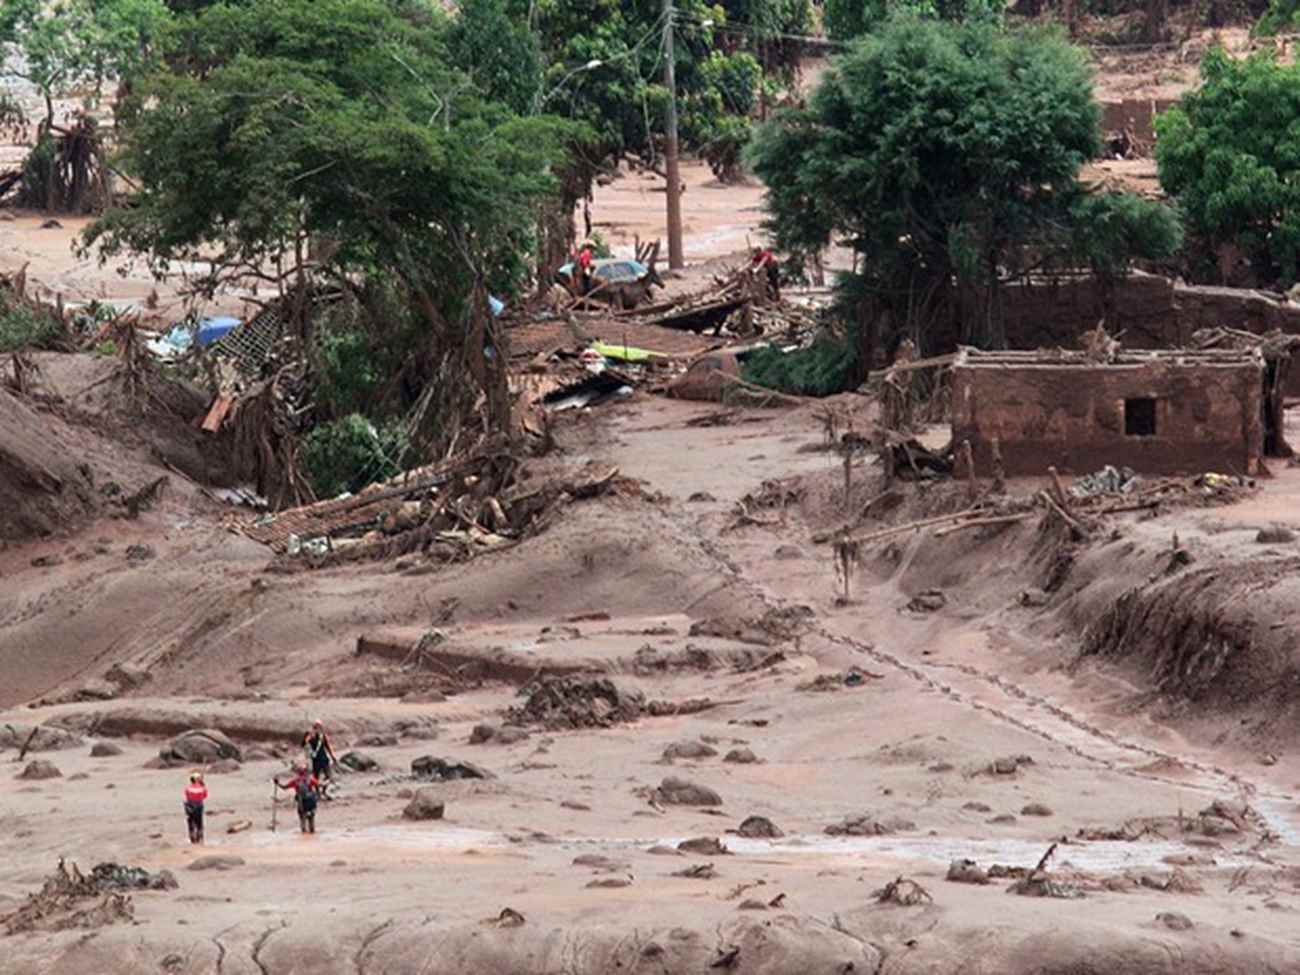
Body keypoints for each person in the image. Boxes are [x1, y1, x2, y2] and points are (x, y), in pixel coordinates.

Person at [276, 761, 320, 834]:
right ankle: (312, 832)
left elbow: (284, 787)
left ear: (298, 772)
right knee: (311, 821)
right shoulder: (310, 779)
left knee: (303, 820)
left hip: (301, 802)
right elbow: (320, 784)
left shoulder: (295, 781)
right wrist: (328, 781)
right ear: (306, 772)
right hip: (311, 802)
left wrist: (277, 783)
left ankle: (304, 833)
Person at [302, 719, 338, 798]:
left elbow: (327, 746)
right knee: (316, 778)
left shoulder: (322, 735)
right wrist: (308, 738)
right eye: (316, 726)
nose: (318, 728)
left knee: (329, 776)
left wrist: (332, 756)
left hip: (324, 758)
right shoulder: (309, 734)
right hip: (315, 760)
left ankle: (323, 791)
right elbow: (303, 745)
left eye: (319, 726)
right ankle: (318, 793)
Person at [183, 771, 207, 844]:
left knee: (190, 822)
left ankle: (192, 838)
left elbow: (187, 795)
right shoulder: (202, 788)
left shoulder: (188, 788)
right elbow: (205, 796)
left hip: (189, 805)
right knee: (199, 822)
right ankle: (199, 838)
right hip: (198, 806)